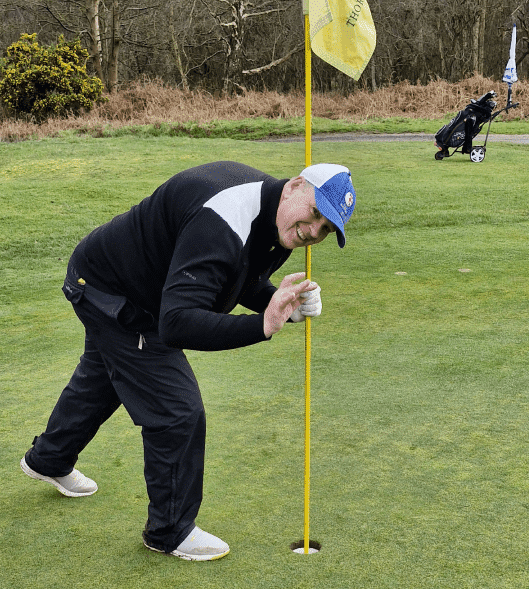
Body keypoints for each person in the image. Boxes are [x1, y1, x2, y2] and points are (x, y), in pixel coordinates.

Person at [19, 160, 356, 561]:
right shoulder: (224, 218)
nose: (311, 231)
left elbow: (239, 276)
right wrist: (261, 325)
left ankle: (48, 459)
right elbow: (176, 324)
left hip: (132, 284)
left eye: (325, 229)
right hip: (110, 290)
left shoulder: (276, 220)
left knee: (105, 377)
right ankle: (169, 531)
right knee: (178, 411)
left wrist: (278, 303)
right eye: (315, 214)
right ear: (296, 186)